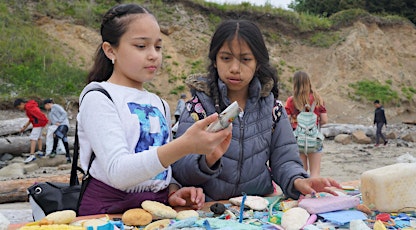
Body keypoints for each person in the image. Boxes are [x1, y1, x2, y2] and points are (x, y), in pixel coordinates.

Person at [77, 3, 232, 215]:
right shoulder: (99, 97)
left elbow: (158, 166)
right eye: (141, 46)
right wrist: (185, 145)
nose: (153, 55)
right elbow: (118, 172)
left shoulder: (158, 102)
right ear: (110, 50)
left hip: (157, 209)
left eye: (158, 47)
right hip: (108, 211)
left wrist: (172, 190)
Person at [172, 19, 341, 201]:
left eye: (245, 59)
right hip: (210, 207)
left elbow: (285, 160)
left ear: (258, 63)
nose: (235, 68)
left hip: (260, 205)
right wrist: (207, 161)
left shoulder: (273, 110)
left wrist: (298, 181)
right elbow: (179, 168)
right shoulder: (197, 108)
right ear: (215, 61)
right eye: (226, 58)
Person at [285, 71, 327, 177]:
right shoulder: (318, 99)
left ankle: (303, 193)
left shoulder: (291, 101)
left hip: (298, 139)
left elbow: (286, 120)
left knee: (301, 171)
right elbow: (324, 120)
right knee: (315, 172)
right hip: (314, 138)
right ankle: (313, 193)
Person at [14, 98, 49, 163]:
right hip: (41, 123)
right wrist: (24, 128)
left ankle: (32, 155)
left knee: (32, 138)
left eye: (19, 107)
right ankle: (40, 151)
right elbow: (31, 119)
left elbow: (38, 115)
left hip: (38, 124)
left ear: (22, 104)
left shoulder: (28, 107)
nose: (20, 109)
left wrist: (42, 121)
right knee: (39, 137)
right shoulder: (31, 106)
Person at [43, 98, 71, 163]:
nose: (45, 108)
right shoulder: (50, 112)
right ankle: (68, 157)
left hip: (63, 124)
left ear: (47, 104)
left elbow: (64, 113)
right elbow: (52, 122)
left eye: (45, 106)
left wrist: (59, 121)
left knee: (56, 135)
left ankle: (54, 151)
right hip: (58, 126)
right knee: (64, 141)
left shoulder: (55, 106)